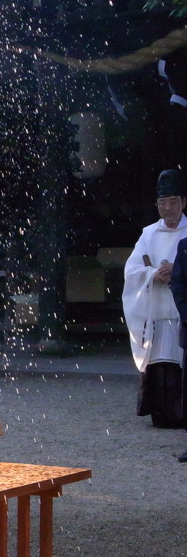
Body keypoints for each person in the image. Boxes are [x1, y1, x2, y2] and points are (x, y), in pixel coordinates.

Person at [126, 169, 187, 429]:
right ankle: (161, 415)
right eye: (163, 202)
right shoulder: (148, 234)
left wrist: (178, 270)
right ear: (156, 205)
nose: (168, 208)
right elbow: (132, 269)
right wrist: (152, 274)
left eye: (173, 201)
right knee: (160, 365)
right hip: (157, 310)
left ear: (184, 202)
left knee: (180, 364)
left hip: (181, 310)